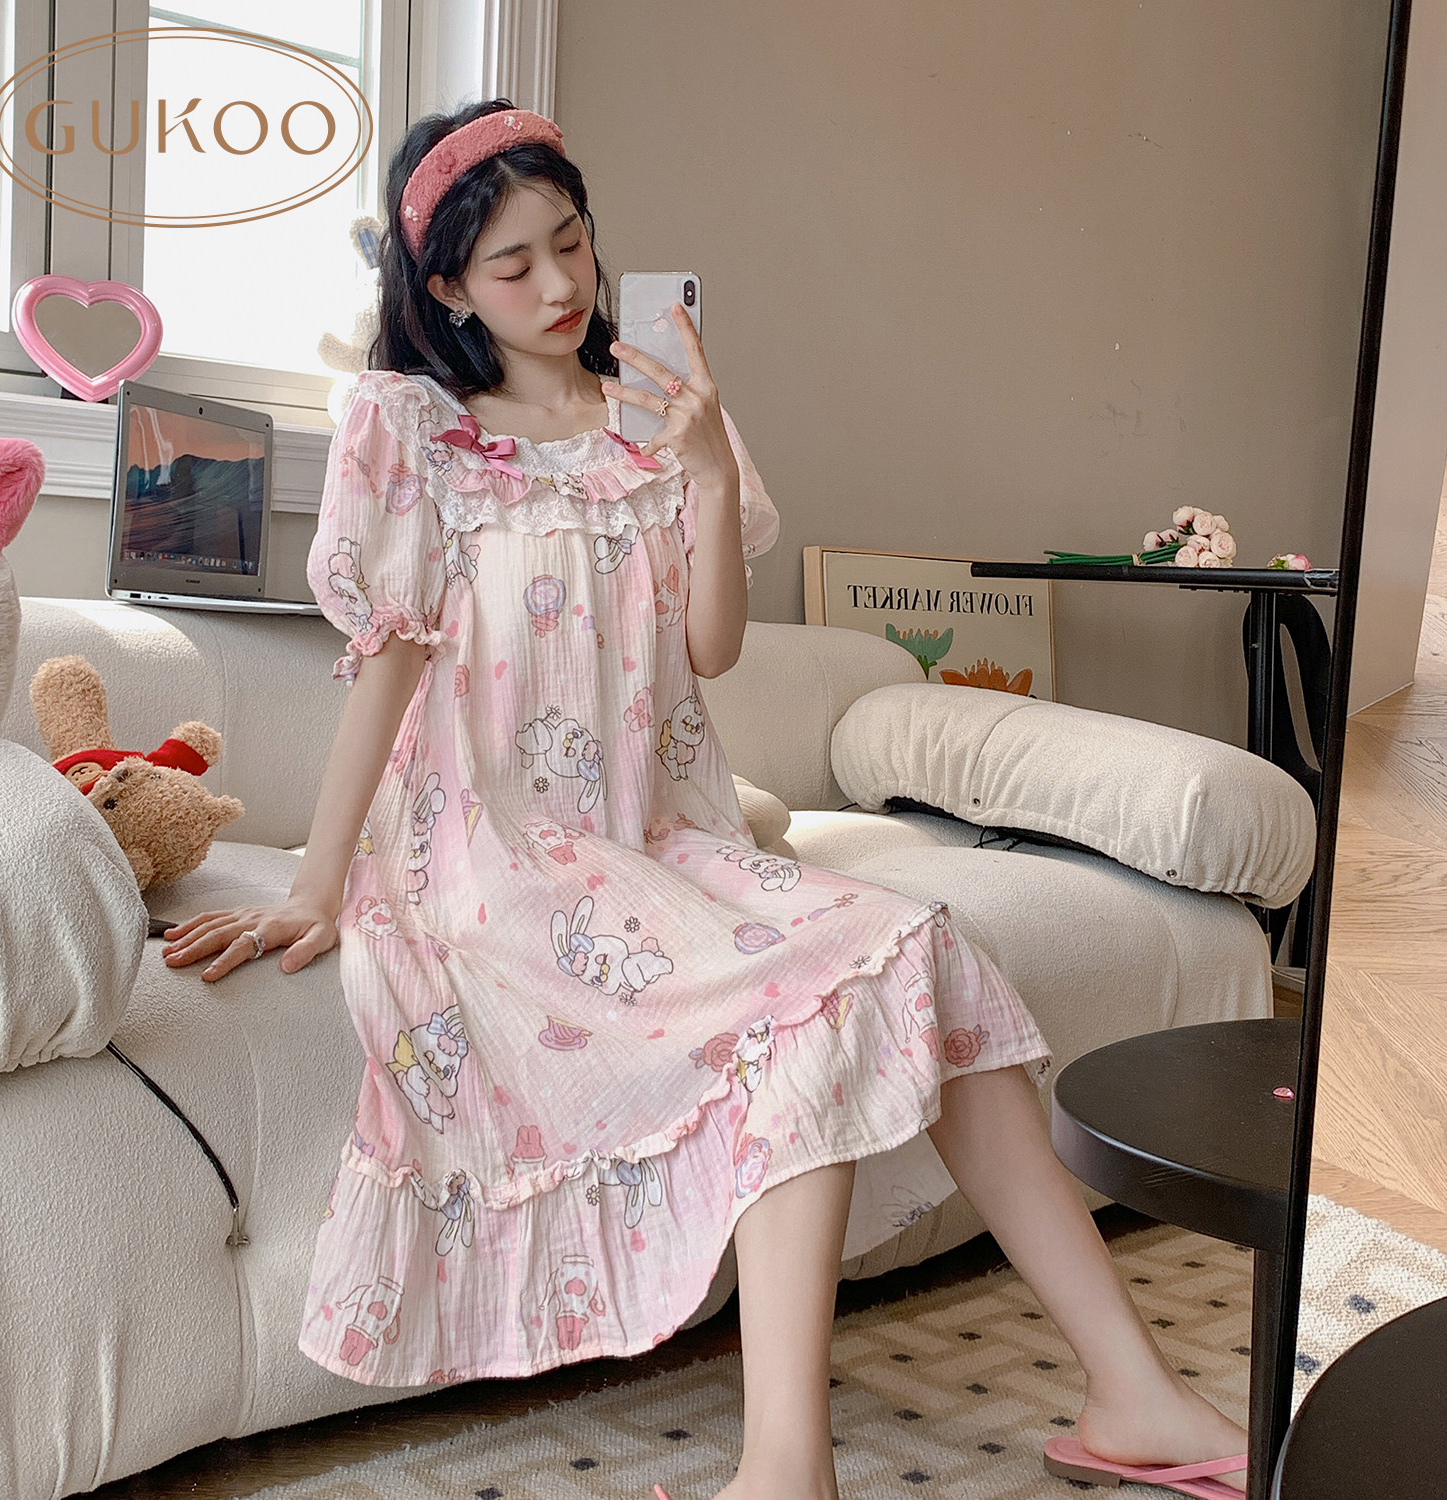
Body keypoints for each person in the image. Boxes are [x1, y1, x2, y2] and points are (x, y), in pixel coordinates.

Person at [159, 99, 1248, 1500]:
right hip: (495, 858)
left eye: (571, 242)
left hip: (666, 838)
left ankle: (1129, 1392)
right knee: (812, 1005)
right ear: (448, 289)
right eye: (512, 265)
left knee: (922, 948)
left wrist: (711, 466)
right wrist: (321, 880)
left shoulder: (653, 417)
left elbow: (712, 649)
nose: (558, 285)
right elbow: (391, 661)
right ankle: (791, 1469)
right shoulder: (412, 432)